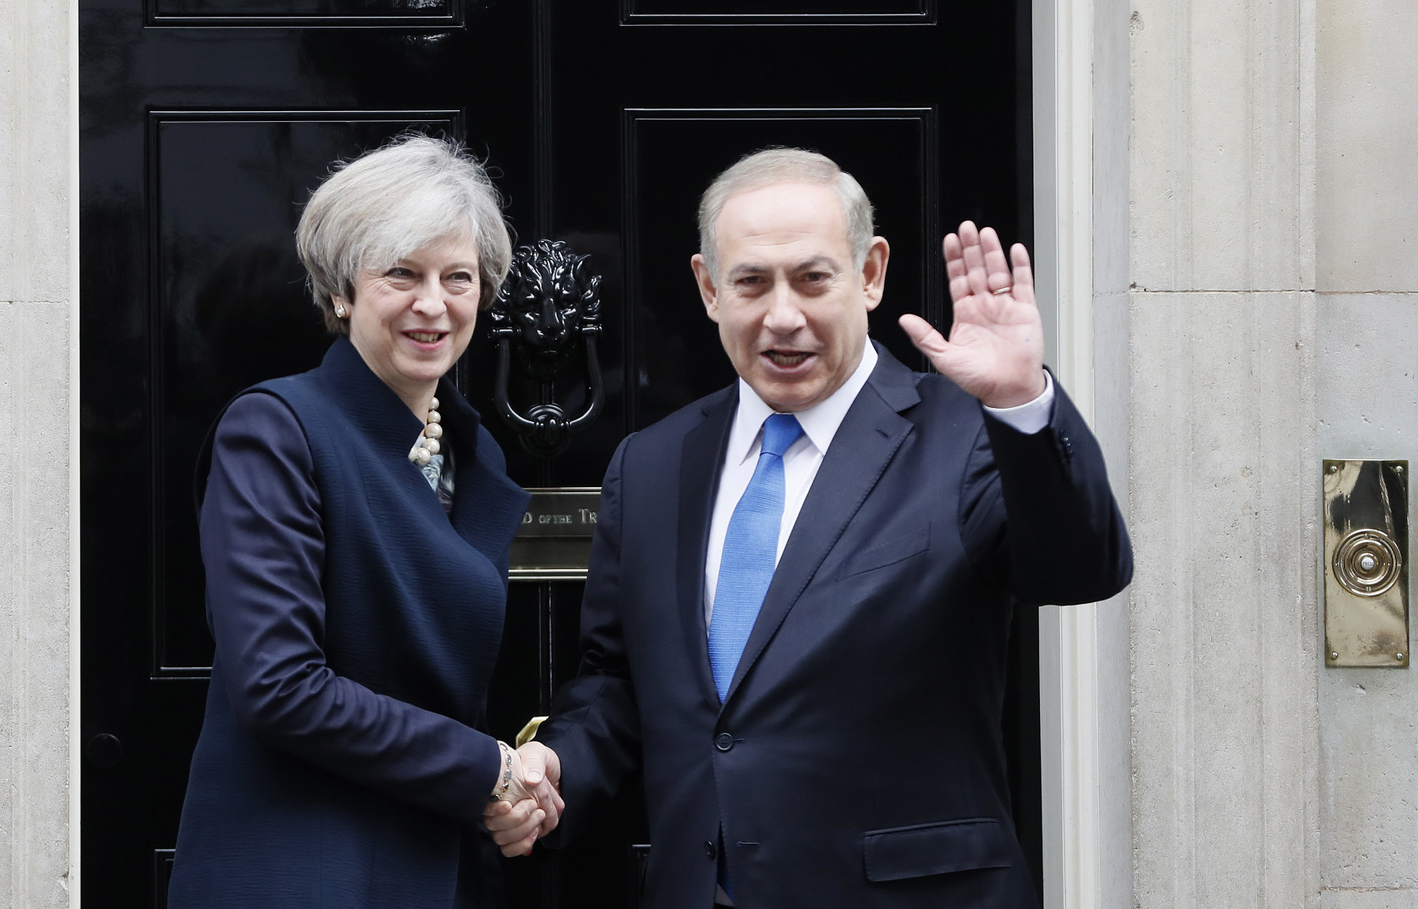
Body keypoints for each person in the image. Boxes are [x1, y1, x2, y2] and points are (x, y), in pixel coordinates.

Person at [486, 148, 1133, 907]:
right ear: (708, 288)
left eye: (812, 278)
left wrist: (1022, 405)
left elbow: (1080, 568)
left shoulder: (965, 436)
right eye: (752, 281)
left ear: (870, 274)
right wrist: (560, 766)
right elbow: (619, 681)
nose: (782, 315)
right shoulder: (653, 464)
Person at [167, 135, 561, 909]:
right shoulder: (276, 430)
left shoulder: (476, 456)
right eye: (401, 274)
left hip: (434, 857)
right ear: (342, 290)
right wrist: (492, 769)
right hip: (301, 866)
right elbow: (280, 686)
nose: (433, 304)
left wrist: (514, 786)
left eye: (459, 278)